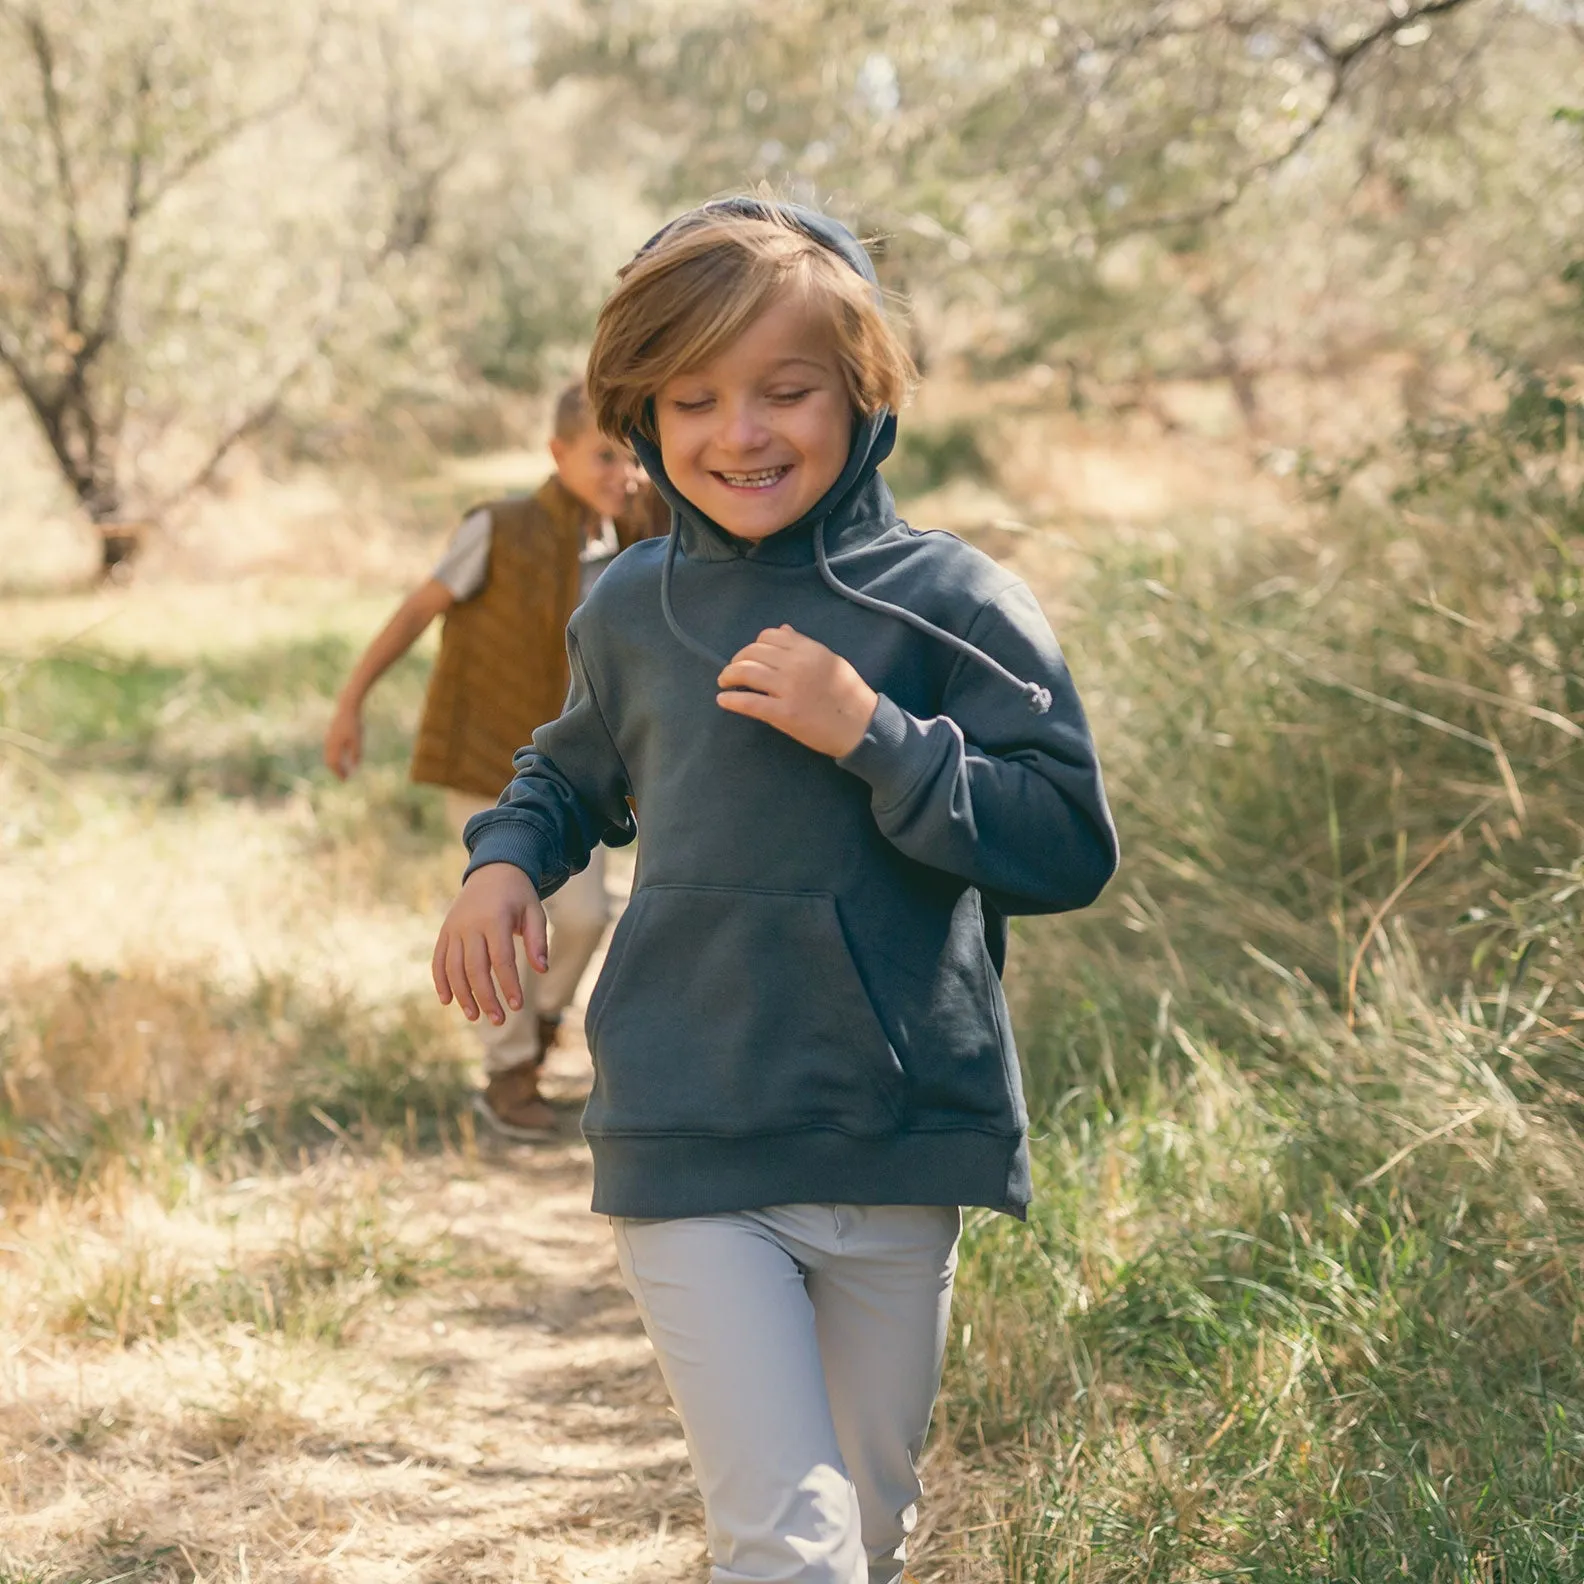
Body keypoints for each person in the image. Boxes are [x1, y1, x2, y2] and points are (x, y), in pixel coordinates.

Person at [430, 200, 1118, 1583]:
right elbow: (571, 775)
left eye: (785, 391)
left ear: (862, 393)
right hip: (691, 1126)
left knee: (866, 1522)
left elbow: (1065, 842)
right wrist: (504, 859)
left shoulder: (955, 603)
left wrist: (875, 731)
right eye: (695, 400)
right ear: (640, 417)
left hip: (900, 1128)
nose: (740, 433)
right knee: (788, 1544)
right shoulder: (634, 606)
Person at [325, 382, 667, 1140]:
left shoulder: (641, 532)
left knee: (583, 915)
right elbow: (419, 608)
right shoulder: (501, 527)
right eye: (604, 457)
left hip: (576, 776)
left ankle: (536, 1036)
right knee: (509, 919)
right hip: (488, 759)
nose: (625, 474)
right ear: (557, 453)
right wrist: (351, 701)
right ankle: (508, 1073)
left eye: (634, 458)